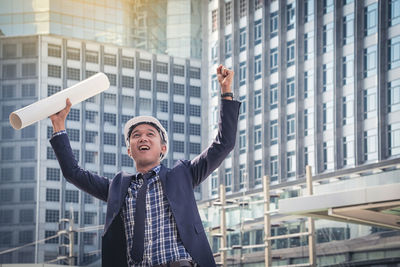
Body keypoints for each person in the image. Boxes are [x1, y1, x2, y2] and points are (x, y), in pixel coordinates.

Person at [49, 65, 240, 267]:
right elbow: (73, 173)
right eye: (136, 135)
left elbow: (223, 144)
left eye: (150, 134)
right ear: (129, 151)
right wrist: (59, 125)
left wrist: (226, 92)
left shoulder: (183, 174)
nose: (143, 138)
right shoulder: (117, 188)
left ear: (162, 148)